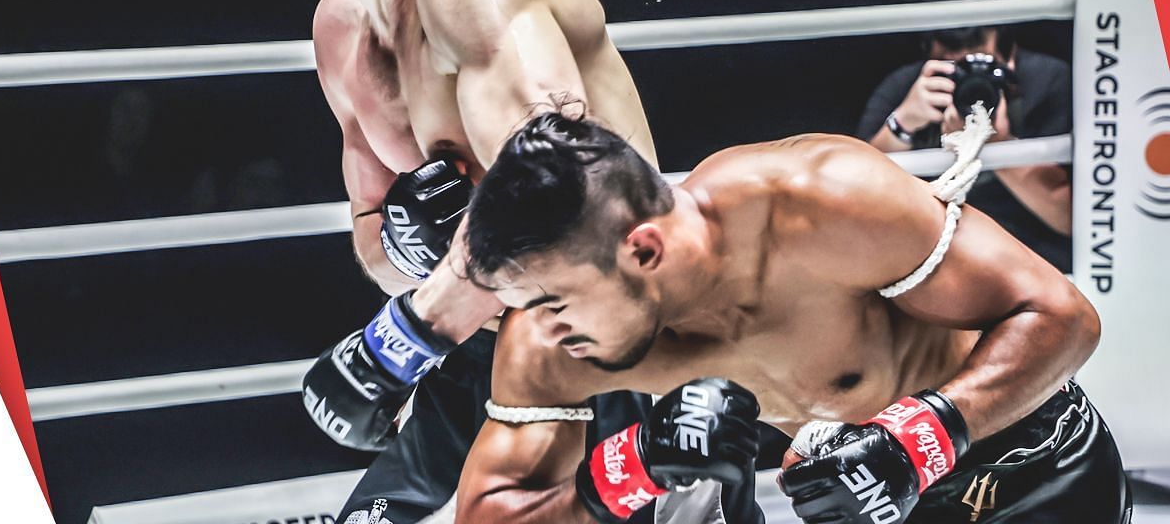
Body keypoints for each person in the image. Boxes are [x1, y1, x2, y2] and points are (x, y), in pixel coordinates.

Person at [251, 0, 671, 524]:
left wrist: (397, 343)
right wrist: (413, 253)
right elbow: (374, 231)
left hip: (611, 335)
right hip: (482, 335)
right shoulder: (337, 28)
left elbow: (561, 206)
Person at [454, 111, 1130, 524]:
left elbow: (1063, 317)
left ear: (643, 249)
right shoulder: (549, 347)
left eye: (555, 299)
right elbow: (489, 515)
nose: (546, 327)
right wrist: (629, 469)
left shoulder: (821, 202)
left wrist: (917, 440)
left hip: (1024, 462)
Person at [856, 0, 1073, 272]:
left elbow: (1070, 218)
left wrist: (996, 147)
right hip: (928, 256)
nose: (968, 81)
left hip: (1030, 257)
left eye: (979, 64)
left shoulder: (1047, 81)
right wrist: (902, 125)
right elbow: (857, 199)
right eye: (953, 66)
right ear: (928, 53)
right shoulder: (909, 87)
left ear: (1008, 54)